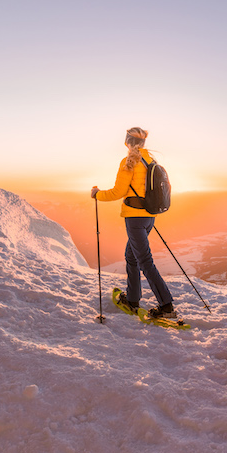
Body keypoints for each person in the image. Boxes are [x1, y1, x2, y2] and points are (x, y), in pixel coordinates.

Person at [91, 127, 176, 319]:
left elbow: (118, 192)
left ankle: (167, 306)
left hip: (135, 218)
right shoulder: (151, 161)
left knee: (144, 260)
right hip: (149, 217)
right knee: (131, 256)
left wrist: (97, 194)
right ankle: (132, 299)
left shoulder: (129, 162)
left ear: (127, 142)